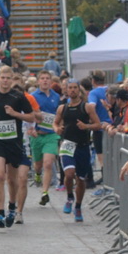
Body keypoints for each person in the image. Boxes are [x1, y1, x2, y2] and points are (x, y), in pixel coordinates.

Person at [0, 65, 39, 228]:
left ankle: (12, 207)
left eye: (8, 78)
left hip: (14, 142)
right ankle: (0, 213)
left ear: (11, 79)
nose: (5, 81)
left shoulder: (18, 96)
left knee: (12, 179)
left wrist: (15, 114)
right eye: (3, 78)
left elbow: (31, 116)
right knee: (0, 176)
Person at [53, 78, 101, 222]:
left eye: (75, 87)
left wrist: (86, 127)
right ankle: (69, 197)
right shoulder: (62, 108)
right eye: (70, 88)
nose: (72, 90)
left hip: (83, 146)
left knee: (81, 179)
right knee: (69, 174)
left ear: (79, 90)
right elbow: (55, 124)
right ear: (66, 90)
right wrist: (57, 129)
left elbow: (98, 124)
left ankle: (78, 207)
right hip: (67, 145)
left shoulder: (87, 107)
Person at [29, 72, 63, 206]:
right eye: (42, 79)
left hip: (51, 135)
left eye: (47, 79)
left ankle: (45, 192)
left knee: (48, 163)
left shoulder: (56, 96)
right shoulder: (33, 97)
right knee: (38, 165)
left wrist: (59, 125)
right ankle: (37, 174)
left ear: (51, 81)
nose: (45, 81)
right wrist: (31, 128)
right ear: (38, 82)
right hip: (37, 135)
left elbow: (58, 114)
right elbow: (28, 113)